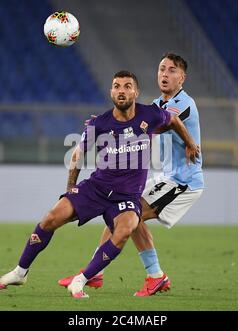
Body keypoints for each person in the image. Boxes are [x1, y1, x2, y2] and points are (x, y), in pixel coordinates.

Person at [0, 70, 199, 299]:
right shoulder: (100, 123)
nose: (122, 91)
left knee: (126, 228)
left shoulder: (151, 114)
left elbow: (174, 119)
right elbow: (78, 154)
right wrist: (71, 189)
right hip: (96, 188)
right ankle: (20, 272)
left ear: (136, 92)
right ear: (111, 91)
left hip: (126, 196)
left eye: (127, 86)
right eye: (117, 86)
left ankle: (82, 280)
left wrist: (189, 143)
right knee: (51, 218)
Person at [58, 53, 204, 297]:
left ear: (182, 78)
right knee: (125, 211)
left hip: (183, 181)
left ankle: (149, 276)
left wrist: (111, 125)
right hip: (167, 177)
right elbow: (136, 119)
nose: (165, 74)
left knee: (130, 214)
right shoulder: (157, 104)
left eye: (172, 71)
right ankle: (101, 273)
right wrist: (106, 122)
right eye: (162, 69)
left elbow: (147, 125)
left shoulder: (183, 103)